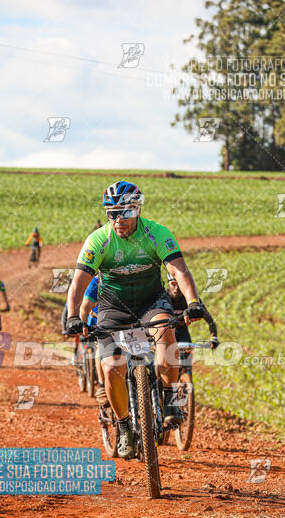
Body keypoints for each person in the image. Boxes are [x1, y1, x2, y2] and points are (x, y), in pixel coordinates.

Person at [66, 180, 219, 458]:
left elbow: (180, 271)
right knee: (112, 366)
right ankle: (124, 426)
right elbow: (78, 283)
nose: (117, 219)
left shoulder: (156, 233)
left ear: (137, 210)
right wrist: (74, 316)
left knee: (166, 332)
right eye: (111, 213)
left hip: (151, 301)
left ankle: (171, 398)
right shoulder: (99, 240)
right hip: (113, 306)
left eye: (123, 212)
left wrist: (194, 302)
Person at [166, 273, 218, 347]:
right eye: (173, 284)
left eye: (180, 284)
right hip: (165, 332)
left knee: (187, 356)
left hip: (182, 331)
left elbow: (210, 320)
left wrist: (214, 338)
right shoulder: (163, 298)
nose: (177, 287)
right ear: (168, 284)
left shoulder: (191, 299)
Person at [79, 276, 107, 405]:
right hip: (98, 323)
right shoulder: (96, 282)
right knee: (100, 347)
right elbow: (84, 309)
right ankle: (102, 385)